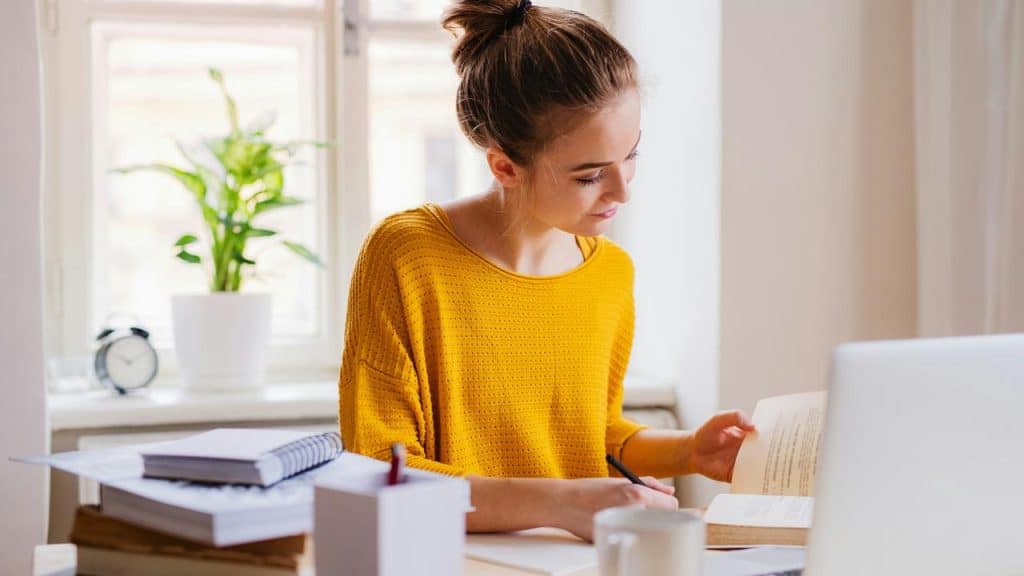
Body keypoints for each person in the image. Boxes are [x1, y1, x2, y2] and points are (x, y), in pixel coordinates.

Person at [339, 0, 754, 541]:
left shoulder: (610, 275)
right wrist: (562, 502)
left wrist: (689, 450)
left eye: (632, 155)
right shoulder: (405, 257)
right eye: (590, 176)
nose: (624, 189)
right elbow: (378, 471)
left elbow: (593, 433)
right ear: (505, 166)